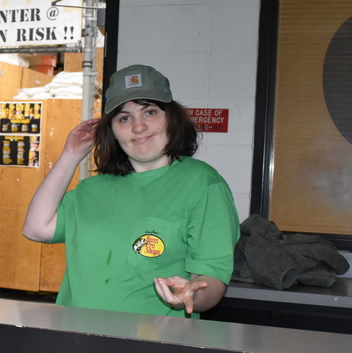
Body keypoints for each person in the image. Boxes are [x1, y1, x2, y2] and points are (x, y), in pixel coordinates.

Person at [22, 64, 240, 317]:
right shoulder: (92, 189)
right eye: (124, 118)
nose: (138, 127)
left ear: (171, 118)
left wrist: (192, 295)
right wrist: (71, 156)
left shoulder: (203, 183)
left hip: (153, 343)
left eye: (149, 112)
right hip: (76, 335)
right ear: (112, 131)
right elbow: (36, 228)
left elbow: (211, 276)